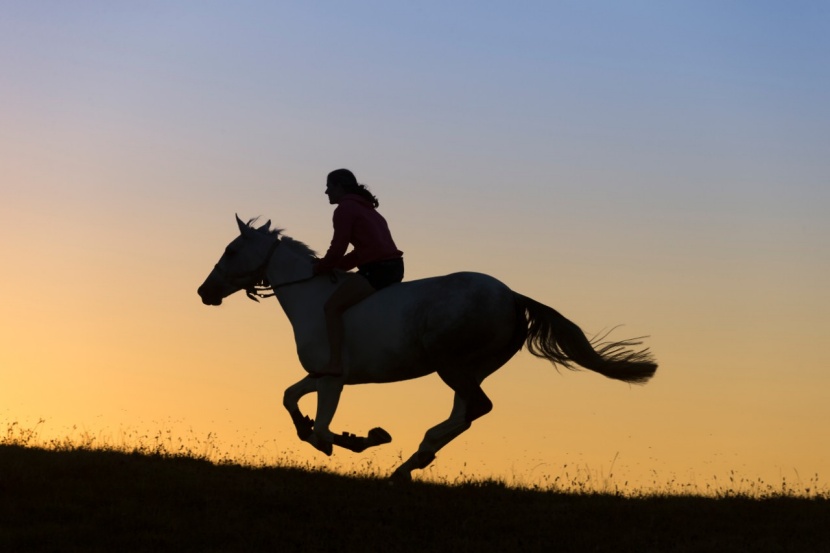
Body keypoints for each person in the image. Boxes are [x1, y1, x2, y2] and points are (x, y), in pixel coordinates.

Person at [312, 168, 404, 377]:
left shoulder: (345, 209)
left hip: (377, 270)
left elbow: (338, 248)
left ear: (339, 187)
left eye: (329, 187)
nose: (326, 192)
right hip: (392, 267)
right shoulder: (368, 209)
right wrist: (337, 267)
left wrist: (321, 267)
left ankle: (335, 363)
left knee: (332, 307)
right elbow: (361, 251)